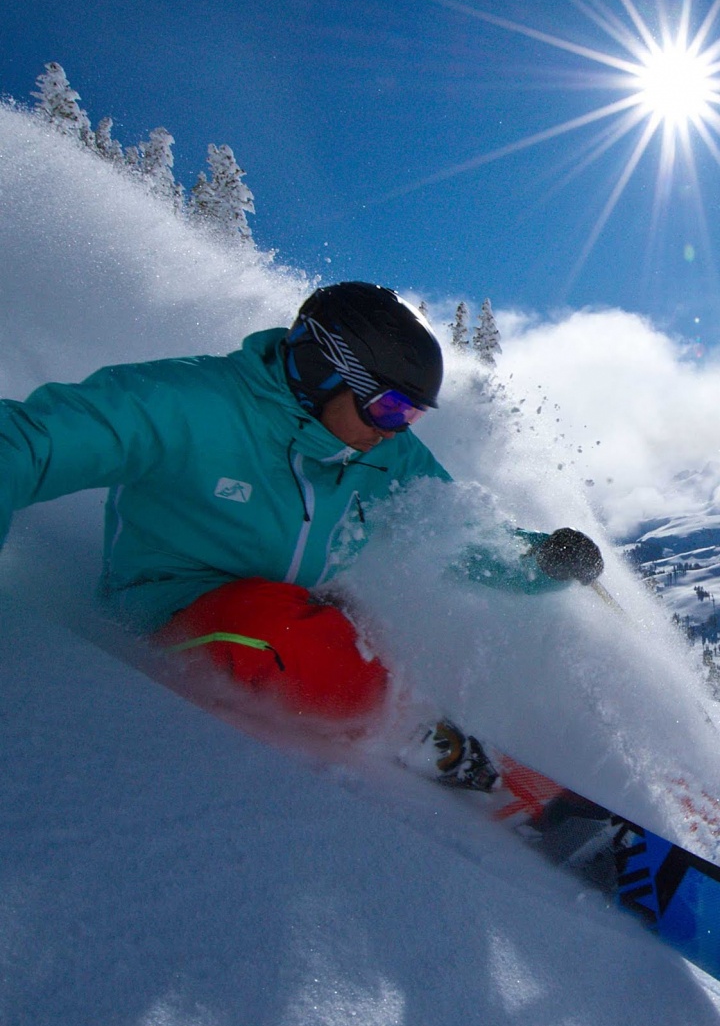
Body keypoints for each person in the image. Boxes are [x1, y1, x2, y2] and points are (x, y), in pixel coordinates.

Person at [0, 282, 603, 789]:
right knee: (287, 636)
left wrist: (542, 560)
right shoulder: (188, 404)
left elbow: (459, 537)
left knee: (357, 627)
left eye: (413, 416)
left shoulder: (385, 456)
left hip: (299, 609)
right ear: (323, 370)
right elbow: (30, 443)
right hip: (174, 611)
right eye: (392, 408)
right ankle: (404, 728)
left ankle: (396, 705)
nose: (398, 431)